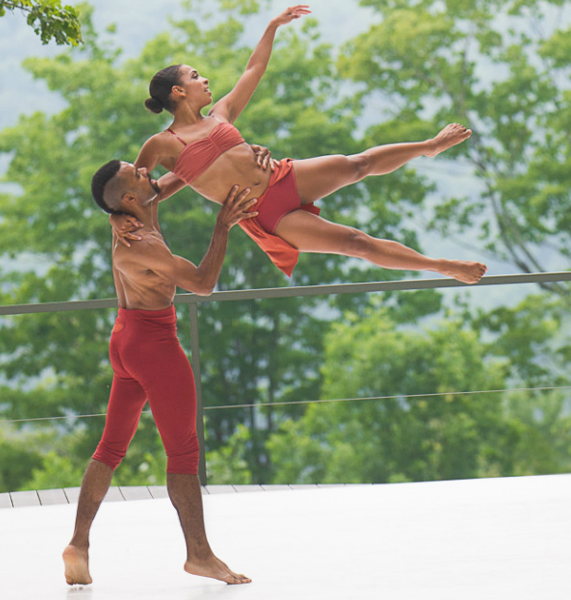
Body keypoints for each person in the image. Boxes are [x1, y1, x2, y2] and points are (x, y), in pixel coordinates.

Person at [118, 5, 488, 283]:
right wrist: (118, 218)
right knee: (355, 243)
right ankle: (442, 266)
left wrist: (272, 27)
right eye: (196, 76)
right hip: (264, 213)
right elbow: (133, 193)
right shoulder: (161, 144)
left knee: (357, 164)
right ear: (179, 91)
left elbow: (253, 70)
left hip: (284, 176)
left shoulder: (221, 114)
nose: (205, 80)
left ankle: (428, 146)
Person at [62, 159, 255, 586]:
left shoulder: (136, 212)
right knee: (184, 454)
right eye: (137, 172)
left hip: (124, 340)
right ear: (130, 197)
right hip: (154, 346)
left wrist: (227, 150)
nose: (147, 169)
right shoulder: (142, 242)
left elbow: (184, 170)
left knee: (110, 447)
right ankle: (199, 555)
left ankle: (78, 544)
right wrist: (223, 225)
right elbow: (203, 283)